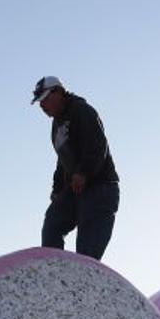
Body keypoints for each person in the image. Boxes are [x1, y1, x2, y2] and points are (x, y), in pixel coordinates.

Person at [31, 75, 120, 261]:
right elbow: (61, 162)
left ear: (58, 92)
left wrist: (83, 172)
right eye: (40, 102)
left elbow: (97, 145)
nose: (42, 106)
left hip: (99, 188)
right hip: (75, 190)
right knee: (53, 223)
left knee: (87, 251)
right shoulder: (56, 125)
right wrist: (57, 191)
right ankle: (55, 270)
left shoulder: (82, 111)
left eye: (45, 99)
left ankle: (83, 276)